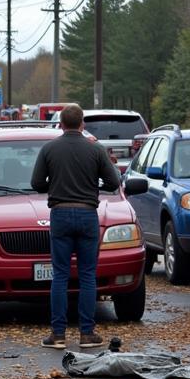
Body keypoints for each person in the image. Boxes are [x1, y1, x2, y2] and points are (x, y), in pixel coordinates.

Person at [31, 103, 120, 349]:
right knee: (87, 275)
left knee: (59, 275)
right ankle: (87, 333)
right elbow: (114, 181)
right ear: (82, 124)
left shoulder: (49, 149)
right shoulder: (96, 150)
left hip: (59, 214)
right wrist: (92, 187)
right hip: (87, 214)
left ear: (61, 124)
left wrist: (57, 186)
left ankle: (58, 334)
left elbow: (37, 182)